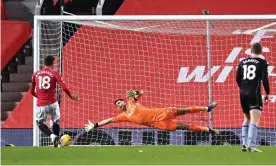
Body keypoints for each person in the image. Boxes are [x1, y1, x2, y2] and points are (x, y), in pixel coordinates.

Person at [84, 90, 219, 135]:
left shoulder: (132, 101)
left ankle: (206, 108)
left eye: (119, 102)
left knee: (183, 110)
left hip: (160, 112)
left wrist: (135, 92)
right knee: (183, 126)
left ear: (124, 101)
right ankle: (208, 130)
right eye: (117, 105)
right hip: (157, 124)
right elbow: (108, 120)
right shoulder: (123, 116)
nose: (119, 105)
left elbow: (141, 92)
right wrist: (95, 125)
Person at [30, 55, 79, 147]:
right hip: (53, 102)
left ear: (44, 63)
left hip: (41, 104)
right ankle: (56, 143)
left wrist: (40, 97)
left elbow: (31, 92)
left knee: (39, 123)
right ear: (52, 63)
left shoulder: (35, 74)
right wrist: (71, 96)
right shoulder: (54, 73)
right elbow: (64, 87)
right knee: (56, 121)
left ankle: (52, 136)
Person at [236, 42, 270, 152]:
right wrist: (267, 93)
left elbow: (237, 78)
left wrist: (243, 88)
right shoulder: (262, 62)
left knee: (246, 118)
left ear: (251, 51)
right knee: (255, 119)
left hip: (243, 93)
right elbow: (264, 79)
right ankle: (251, 145)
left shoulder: (242, 62)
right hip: (254, 93)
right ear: (261, 51)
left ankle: (244, 144)